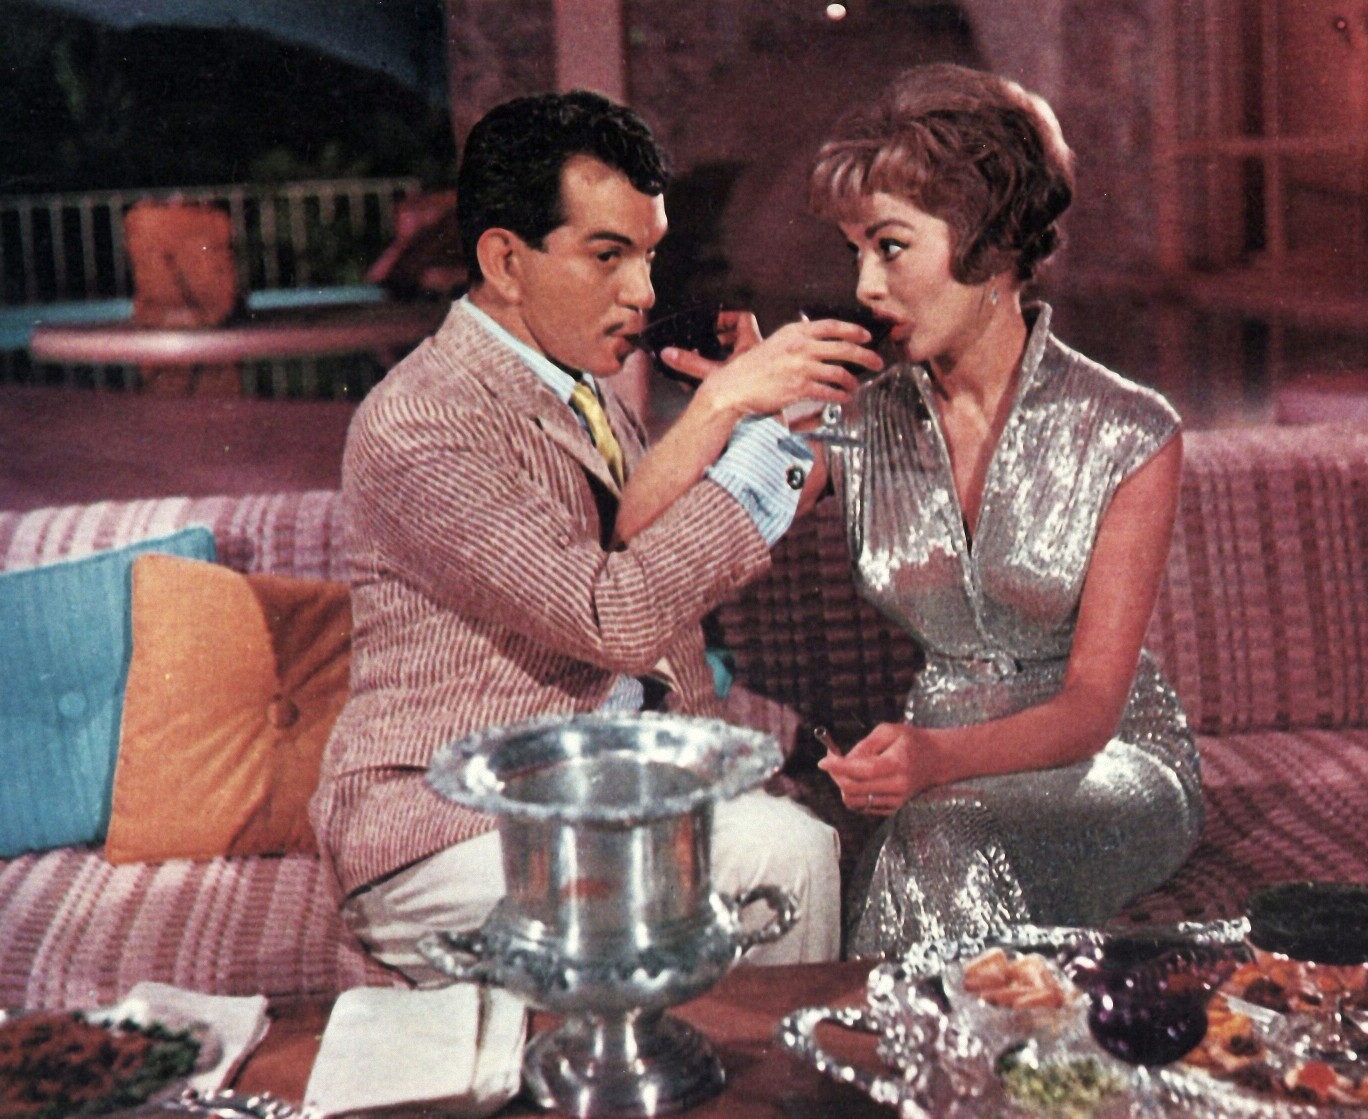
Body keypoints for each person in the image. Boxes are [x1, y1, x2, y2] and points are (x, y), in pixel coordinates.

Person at [308, 89, 884, 980]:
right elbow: (609, 613)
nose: (643, 293)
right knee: (783, 854)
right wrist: (736, 414)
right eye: (608, 255)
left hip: (596, 797)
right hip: (450, 827)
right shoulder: (422, 417)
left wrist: (745, 420)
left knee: (786, 837)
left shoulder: (581, 396)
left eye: (648, 255)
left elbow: (648, 556)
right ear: (505, 260)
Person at [801, 64, 1204, 957]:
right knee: (933, 832)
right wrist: (733, 406)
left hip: (1106, 764)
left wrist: (933, 760)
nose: (864, 286)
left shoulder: (1129, 430)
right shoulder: (855, 422)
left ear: (987, 246)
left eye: (890, 247)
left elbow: (1092, 706)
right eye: (855, 252)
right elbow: (694, 540)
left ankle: (915, 1039)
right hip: (937, 772)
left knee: (939, 834)